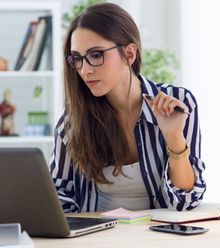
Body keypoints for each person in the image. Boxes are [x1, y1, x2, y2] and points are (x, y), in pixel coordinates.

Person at [50, 3, 206, 213]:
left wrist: (174, 138)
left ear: (129, 54)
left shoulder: (178, 103)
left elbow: (186, 201)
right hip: (96, 240)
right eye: (77, 58)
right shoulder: (72, 123)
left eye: (96, 55)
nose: (85, 70)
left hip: (160, 238)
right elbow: (58, 195)